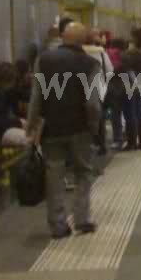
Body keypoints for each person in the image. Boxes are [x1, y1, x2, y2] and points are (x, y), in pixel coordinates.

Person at [26, 22, 102, 239]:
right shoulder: (90, 63)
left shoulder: (44, 60)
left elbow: (36, 97)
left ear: (62, 37)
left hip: (51, 128)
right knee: (83, 173)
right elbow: (92, 103)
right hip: (80, 129)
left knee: (54, 175)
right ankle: (82, 220)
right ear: (83, 41)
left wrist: (31, 125)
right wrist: (94, 127)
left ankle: (58, 226)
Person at [83, 29, 114, 156]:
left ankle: (88, 144)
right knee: (99, 118)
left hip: (81, 90)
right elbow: (110, 71)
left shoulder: (79, 53)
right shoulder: (102, 54)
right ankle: (101, 145)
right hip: (100, 90)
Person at [121, 35, 141, 151]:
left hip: (130, 85)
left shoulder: (128, 55)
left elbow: (128, 70)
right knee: (139, 113)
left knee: (130, 114)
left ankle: (131, 143)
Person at [0, 62, 28, 148]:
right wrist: (18, 122)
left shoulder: (6, 91)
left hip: (6, 127)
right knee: (28, 139)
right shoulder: (0, 93)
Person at [105, 38, 127, 150]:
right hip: (122, 87)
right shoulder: (124, 56)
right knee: (122, 113)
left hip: (109, 86)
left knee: (114, 114)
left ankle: (116, 139)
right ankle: (122, 138)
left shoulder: (106, 53)